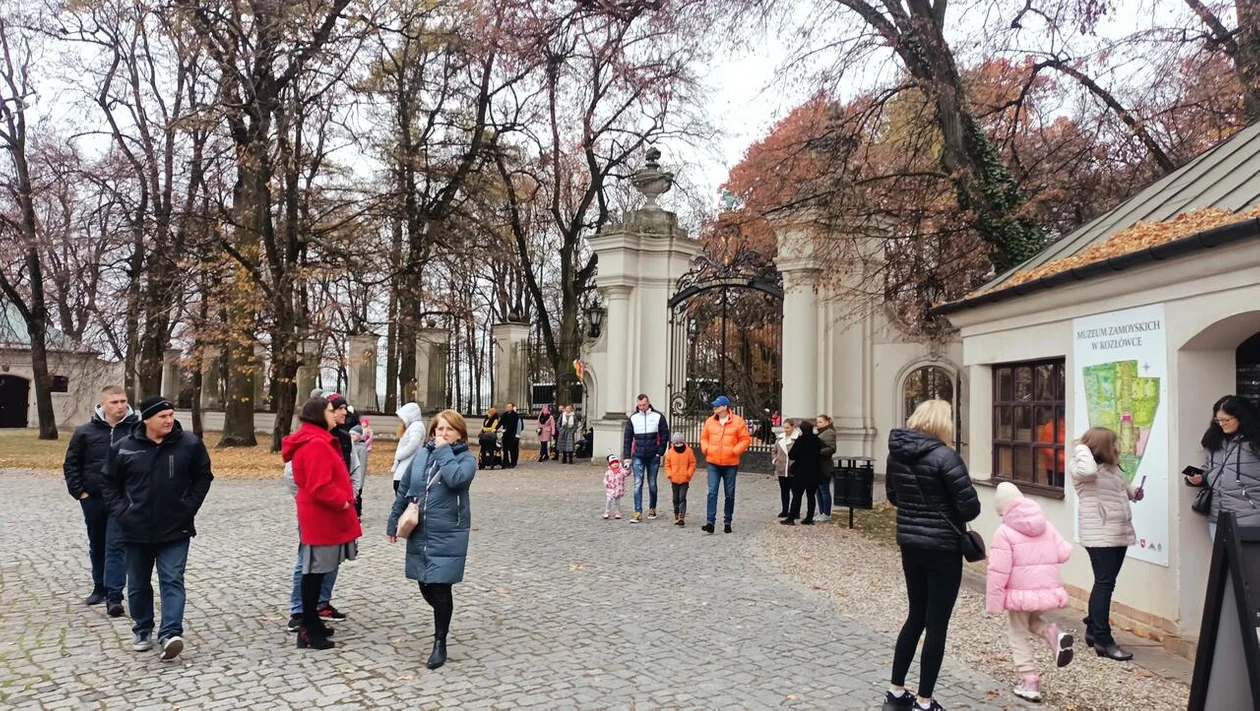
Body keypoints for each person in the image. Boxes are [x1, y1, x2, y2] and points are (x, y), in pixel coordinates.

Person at [99, 397, 214, 662]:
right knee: (138, 584)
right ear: (147, 419)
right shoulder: (124, 447)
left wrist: (189, 506)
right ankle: (142, 628)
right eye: (162, 416)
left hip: (176, 528)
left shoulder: (189, 444)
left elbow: (203, 476)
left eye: (171, 414)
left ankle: (171, 634)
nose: (168, 420)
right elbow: (107, 482)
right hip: (134, 529)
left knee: (172, 579)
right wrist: (121, 511)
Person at [883, 399, 980, 711]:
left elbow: (893, 495)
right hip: (942, 548)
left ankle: (896, 693)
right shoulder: (945, 456)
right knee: (936, 623)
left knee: (915, 615)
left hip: (910, 544)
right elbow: (970, 507)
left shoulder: (895, 454)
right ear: (943, 424)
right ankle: (924, 701)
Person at [387, 409, 477, 670]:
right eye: (439, 429)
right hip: (421, 529)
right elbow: (405, 488)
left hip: (448, 531)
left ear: (460, 433)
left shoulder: (466, 459)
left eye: (450, 429)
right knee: (424, 584)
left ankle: (440, 642)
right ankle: (442, 619)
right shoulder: (422, 454)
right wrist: (393, 521)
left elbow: (456, 480)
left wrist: (443, 451)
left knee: (439, 587)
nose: (443, 433)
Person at [283, 396, 362, 651]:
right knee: (314, 573)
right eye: (331, 410)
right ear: (319, 414)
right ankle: (307, 627)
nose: (335, 414)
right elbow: (320, 485)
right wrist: (343, 501)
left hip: (321, 515)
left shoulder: (316, 438)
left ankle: (312, 622)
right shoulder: (315, 442)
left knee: (316, 572)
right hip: (322, 516)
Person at [985, 482, 1075, 703]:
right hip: (1046, 591)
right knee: (1032, 621)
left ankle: (1029, 680)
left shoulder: (1004, 532)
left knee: (1017, 633)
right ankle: (1052, 632)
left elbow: (998, 571)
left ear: (1003, 509)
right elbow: (1063, 553)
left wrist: (994, 603)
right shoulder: (1046, 524)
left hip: (1020, 594)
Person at [1068, 426, 1144, 661]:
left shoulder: (1112, 468)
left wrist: (1134, 493)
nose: (1116, 447)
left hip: (1118, 531)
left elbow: (1122, 490)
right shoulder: (1082, 467)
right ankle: (1103, 639)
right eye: (1112, 443)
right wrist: (1081, 446)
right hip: (1100, 533)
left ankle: (1093, 628)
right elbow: (1090, 472)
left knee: (1105, 583)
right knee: (1105, 584)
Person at [63, 384, 137, 617]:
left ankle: (114, 595)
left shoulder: (136, 429)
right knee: (97, 543)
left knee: (116, 544)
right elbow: (72, 464)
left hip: (123, 499)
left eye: (123, 401)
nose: (120, 406)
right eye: (114, 402)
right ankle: (99, 586)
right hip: (93, 497)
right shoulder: (85, 432)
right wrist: (80, 492)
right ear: (103, 404)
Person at [1187, 395, 1260, 541]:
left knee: (1247, 563)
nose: (1221, 424)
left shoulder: (1255, 442)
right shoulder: (1215, 441)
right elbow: (1210, 469)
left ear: (1241, 417)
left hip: (1250, 518)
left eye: (1226, 420)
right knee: (1220, 562)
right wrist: (1199, 477)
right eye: (1218, 420)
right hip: (1218, 517)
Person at [699, 395, 752, 534]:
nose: (714, 408)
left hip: (730, 463)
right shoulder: (710, 421)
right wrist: (706, 449)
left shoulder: (738, 422)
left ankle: (727, 521)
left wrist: (735, 450)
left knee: (729, 494)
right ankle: (710, 522)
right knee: (712, 492)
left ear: (725, 407)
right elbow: (704, 437)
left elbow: (745, 439)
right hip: (713, 462)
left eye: (717, 405)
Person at [623, 394, 670, 522]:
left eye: (644, 405)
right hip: (638, 455)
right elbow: (627, 438)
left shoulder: (658, 417)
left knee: (652, 484)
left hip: (653, 455)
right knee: (638, 483)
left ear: (648, 403)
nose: (642, 407)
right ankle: (637, 511)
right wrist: (627, 456)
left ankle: (652, 507)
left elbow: (665, 435)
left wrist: (660, 452)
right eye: (639, 405)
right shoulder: (633, 418)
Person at [784, 420, 823, 525]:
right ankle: (809, 518)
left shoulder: (801, 440)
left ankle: (791, 517)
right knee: (811, 496)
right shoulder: (817, 440)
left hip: (801, 471)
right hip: (814, 471)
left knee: (797, 495)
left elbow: (792, 454)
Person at [663, 431, 697, 526]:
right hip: (674, 479)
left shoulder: (689, 451)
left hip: (684, 479)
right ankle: (676, 514)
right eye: (676, 443)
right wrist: (670, 474)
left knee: (682, 497)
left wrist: (688, 474)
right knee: (675, 498)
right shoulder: (670, 452)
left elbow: (692, 464)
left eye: (680, 443)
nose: (678, 445)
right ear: (673, 444)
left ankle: (682, 515)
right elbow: (667, 465)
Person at [392, 402, 426, 492]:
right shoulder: (414, 426)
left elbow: (413, 444)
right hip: (405, 467)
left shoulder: (416, 426)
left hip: (407, 466)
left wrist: (399, 455)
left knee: (403, 494)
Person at [772, 419, 799, 519]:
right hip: (782, 468)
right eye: (784, 428)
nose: (786, 429)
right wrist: (775, 460)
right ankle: (784, 510)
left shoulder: (797, 439)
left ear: (793, 427)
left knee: (795, 492)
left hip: (793, 469)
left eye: (787, 427)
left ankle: (795, 511)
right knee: (784, 491)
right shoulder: (780, 438)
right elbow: (774, 450)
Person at [815, 414, 837, 522]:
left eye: (820, 422)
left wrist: (816, 452)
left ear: (827, 422)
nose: (818, 424)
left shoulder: (829, 433)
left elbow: (831, 448)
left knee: (824, 489)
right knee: (818, 490)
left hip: (824, 465)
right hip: (818, 465)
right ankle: (821, 511)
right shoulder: (821, 432)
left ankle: (826, 513)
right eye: (817, 422)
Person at [602, 454, 629, 520]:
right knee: (609, 501)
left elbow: (626, 473)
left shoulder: (621, 471)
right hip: (610, 489)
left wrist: (627, 468)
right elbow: (605, 479)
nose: (615, 464)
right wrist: (607, 484)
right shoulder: (608, 472)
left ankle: (617, 513)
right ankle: (607, 511)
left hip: (618, 489)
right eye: (613, 463)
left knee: (617, 502)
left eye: (616, 463)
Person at [498, 402, 523, 468]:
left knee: (512, 449)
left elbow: (514, 426)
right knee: (505, 449)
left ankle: (513, 462)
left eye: (510, 406)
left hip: (512, 434)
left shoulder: (515, 415)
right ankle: (506, 462)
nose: (508, 408)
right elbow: (500, 422)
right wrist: (496, 428)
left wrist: (508, 431)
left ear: (512, 407)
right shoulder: (504, 414)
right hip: (505, 434)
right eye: (507, 406)